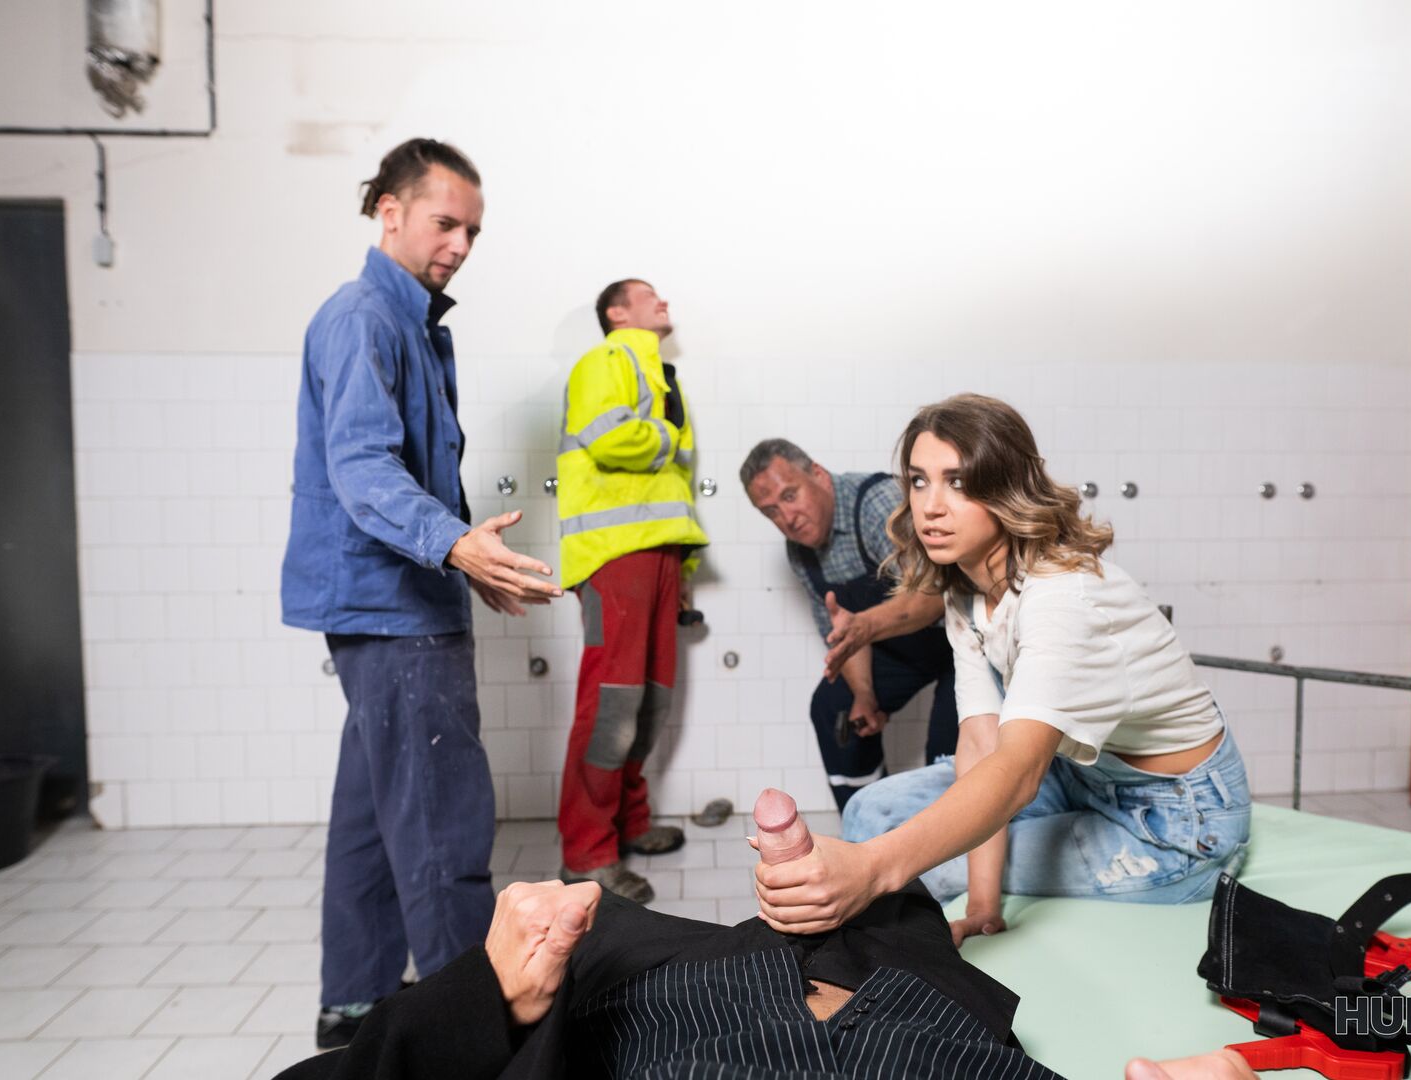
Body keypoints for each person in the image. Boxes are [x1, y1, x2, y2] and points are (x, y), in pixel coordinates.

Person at [754, 394, 1251, 946]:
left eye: (958, 482)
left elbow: (1015, 774)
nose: (930, 507)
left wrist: (872, 870)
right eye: (919, 481)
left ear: (1008, 487)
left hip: (1175, 821)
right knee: (872, 810)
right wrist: (983, 908)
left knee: (917, 870)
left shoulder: (1063, 599)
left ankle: (886, 981)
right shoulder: (967, 590)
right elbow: (981, 745)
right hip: (1081, 776)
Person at [281, 138, 563, 1049]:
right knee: (443, 820)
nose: (461, 245)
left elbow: (418, 473)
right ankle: (467, 1028)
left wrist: (466, 558)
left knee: (372, 813)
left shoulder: (411, 322)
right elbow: (363, 466)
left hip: (391, 601)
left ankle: (356, 1004)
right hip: (392, 609)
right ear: (389, 211)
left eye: (473, 231)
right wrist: (455, 546)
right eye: (446, 223)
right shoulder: (366, 318)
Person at [275, 878, 1262, 1079]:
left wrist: (491, 998)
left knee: (880, 900)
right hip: (892, 1016)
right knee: (886, 906)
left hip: (647, 1002)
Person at [554, 279, 709, 903]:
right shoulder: (606, 360)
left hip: (661, 552)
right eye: (648, 295)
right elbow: (610, 437)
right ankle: (587, 854)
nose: (662, 300)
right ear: (617, 313)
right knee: (611, 706)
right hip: (614, 554)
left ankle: (628, 824)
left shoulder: (662, 378)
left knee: (649, 703)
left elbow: (676, 484)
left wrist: (685, 571)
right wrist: (668, 438)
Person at [741, 439, 958, 809]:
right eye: (771, 511)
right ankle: (871, 827)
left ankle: (946, 838)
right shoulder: (801, 553)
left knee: (947, 755)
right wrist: (865, 696)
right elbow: (844, 634)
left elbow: (933, 595)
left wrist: (865, 626)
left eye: (790, 496)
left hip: (961, 639)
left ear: (819, 475)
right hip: (902, 645)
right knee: (835, 707)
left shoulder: (877, 504)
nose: (787, 518)